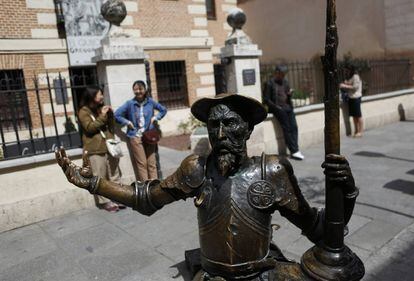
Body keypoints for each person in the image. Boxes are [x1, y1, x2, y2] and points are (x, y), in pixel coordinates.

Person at [56, 93, 361, 280]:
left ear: (248, 128)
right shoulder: (196, 169)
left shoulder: (272, 171)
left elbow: (322, 232)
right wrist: (94, 184)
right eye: (213, 125)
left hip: (263, 273)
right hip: (216, 276)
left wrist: (346, 191)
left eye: (230, 124)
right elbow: (146, 198)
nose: (220, 132)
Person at [78, 87, 122, 212]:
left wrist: (110, 115)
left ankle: (119, 197)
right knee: (100, 177)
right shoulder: (83, 112)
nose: (102, 97)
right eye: (99, 94)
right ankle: (105, 202)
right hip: (95, 149)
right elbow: (90, 128)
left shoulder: (100, 109)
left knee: (114, 174)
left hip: (110, 147)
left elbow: (111, 127)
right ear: (92, 96)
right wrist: (103, 116)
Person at [114, 80, 167, 181]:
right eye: (135, 89)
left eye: (140, 89)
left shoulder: (150, 102)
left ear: (145, 89)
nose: (138, 91)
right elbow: (116, 115)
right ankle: (146, 188)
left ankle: (154, 186)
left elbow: (163, 110)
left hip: (149, 135)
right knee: (142, 163)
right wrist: (127, 122)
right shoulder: (130, 104)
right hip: (136, 136)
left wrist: (156, 117)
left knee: (152, 163)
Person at [263, 65, 305, 160]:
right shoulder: (270, 83)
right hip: (278, 109)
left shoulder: (285, 82)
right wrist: (277, 108)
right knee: (287, 128)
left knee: (294, 127)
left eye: (284, 74)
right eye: (281, 74)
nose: (283, 76)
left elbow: (287, 94)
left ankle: (295, 149)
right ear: (276, 73)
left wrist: (289, 94)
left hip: (288, 107)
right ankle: (294, 151)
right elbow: (266, 99)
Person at [340, 64, 363, 137]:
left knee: (358, 115)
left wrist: (345, 86)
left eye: (347, 70)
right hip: (351, 97)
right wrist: (346, 83)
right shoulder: (351, 76)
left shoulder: (356, 76)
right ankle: (356, 130)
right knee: (354, 115)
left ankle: (360, 131)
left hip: (356, 97)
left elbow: (355, 87)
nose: (346, 71)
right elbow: (350, 83)